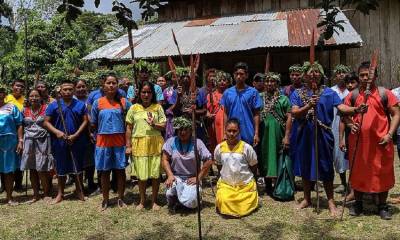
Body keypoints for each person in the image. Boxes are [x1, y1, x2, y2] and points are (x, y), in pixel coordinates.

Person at [290, 61, 366, 216]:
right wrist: (308, 106)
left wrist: (355, 109)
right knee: (305, 165)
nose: (313, 74)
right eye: (310, 72)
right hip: (305, 134)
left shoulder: (328, 93)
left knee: (325, 166)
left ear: (321, 74)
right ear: (305, 75)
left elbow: (341, 107)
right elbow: (295, 113)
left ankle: (331, 201)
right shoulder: (297, 93)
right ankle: (307, 198)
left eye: (317, 71)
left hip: (323, 134)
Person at [344, 61, 400, 220]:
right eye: (361, 75)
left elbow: (396, 114)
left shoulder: (385, 93)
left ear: (375, 76)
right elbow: (343, 112)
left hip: (381, 143)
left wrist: (389, 134)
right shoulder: (353, 95)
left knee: (382, 172)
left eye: (368, 75)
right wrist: (349, 123)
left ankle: (382, 206)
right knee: (358, 173)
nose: (365, 78)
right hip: (358, 144)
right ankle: (358, 204)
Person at [44, 79, 88, 204]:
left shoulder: (80, 105)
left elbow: (85, 120)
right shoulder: (54, 105)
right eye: (65, 89)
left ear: (73, 90)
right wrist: (57, 132)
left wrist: (77, 134)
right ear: (60, 91)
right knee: (61, 167)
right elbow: (46, 122)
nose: (68, 92)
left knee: (78, 166)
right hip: (60, 141)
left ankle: (79, 190)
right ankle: (60, 193)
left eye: (70, 89)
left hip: (77, 140)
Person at [91, 74, 131, 210]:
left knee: (120, 171)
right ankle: (105, 199)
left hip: (120, 142)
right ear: (104, 85)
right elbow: (93, 123)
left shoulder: (125, 102)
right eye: (108, 83)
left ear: (117, 85)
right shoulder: (98, 102)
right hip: (103, 142)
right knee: (104, 171)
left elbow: (131, 122)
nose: (111, 85)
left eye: (114, 83)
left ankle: (120, 198)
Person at [126, 81, 166, 210]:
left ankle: (154, 201)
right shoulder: (133, 108)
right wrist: (128, 146)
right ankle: (142, 200)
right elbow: (129, 128)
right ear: (139, 93)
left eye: (149, 92)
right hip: (139, 144)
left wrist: (154, 124)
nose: (146, 94)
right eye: (144, 92)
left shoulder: (158, 108)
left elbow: (164, 125)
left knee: (155, 174)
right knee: (141, 175)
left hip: (155, 143)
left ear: (152, 94)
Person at [162, 117, 213, 211]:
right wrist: (170, 175)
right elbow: (165, 159)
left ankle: (188, 200)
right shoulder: (171, 141)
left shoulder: (198, 143)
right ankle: (179, 201)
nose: (183, 132)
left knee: (191, 201)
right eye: (180, 129)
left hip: (192, 178)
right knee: (170, 193)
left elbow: (209, 160)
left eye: (186, 129)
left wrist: (198, 177)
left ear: (191, 130)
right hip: (176, 177)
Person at [214, 118, 259, 217]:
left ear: (239, 131)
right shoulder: (219, 148)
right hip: (227, 185)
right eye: (229, 131)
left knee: (246, 202)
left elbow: (254, 165)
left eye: (234, 131)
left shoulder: (246, 148)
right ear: (225, 131)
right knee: (223, 199)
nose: (231, 134)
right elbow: (219, 165)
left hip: (245, 186)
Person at [259, 72, 292, 195]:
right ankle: (267, 185)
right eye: (267, 81)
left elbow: (289, 117)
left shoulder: (284, 99)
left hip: (278, 132)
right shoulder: (258, 96)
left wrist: (287, 136)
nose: (269, 84)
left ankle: (279, 184)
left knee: (278, 155)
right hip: (263, 132)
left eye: (272, 81)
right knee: (265, 156)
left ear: (277, 83)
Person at [21, 89, 54, 203]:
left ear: (40, 97)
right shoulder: (24, 110)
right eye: (31, 96)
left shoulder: (47, 109)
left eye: (36, 96)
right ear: (28, 98)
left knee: (42, 169)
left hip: (43, 141)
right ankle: (35, 194)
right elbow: (21, 126)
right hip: (29, 142)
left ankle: (46, 193)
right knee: (32, 169)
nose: (34, 98)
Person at [220, 62, 262, 146]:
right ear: (234, 75)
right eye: (237, 74)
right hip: (232, 132)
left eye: (241, 74)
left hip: (248, 130)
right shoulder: (227, 92)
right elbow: (225, 113)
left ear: (246, 75)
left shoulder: (253, 92)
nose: (239, 76)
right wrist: (225, 132)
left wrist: (256, 133)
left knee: (248, 156)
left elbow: (256, 114)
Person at [0, 85, 23, 205]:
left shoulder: (11, 107)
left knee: (9, 171)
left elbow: (19, 124)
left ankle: (9, 197)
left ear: (4, 94)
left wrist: (20, 140)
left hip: (9, 143)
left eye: (0, 92)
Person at [330, 64, 351, 193]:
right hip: (333, 125)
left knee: (348, 154)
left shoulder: (351, 91)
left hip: (349, 126)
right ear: (335, 76)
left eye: (343, 72)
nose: (341, 75)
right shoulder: (331, 91)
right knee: (337, 154)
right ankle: (342, 182)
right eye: (338, 73)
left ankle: (352, 183)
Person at [75, 79, 97, 192]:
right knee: (78, 160)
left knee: (90, 160)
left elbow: (92, 117)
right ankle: (79, 185)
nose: (81, 89)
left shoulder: (89, 101)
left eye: (83, 86)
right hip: (75, 134)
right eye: (78, 87)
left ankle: (91, 182)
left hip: (89, 134)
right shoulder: (71, 101)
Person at [5, 79, 25, 191]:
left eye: (22, 86)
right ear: (12, 86)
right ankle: (4, 185)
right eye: (17, 86)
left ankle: (18, 184)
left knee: (19, 158)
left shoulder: (25, 100)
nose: (20, 88)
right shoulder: (6, 98)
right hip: (6, 134)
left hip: (20, 132)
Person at [206, 71, 232, 152]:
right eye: (220, 80)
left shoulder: (232, 94)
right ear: (216, 82)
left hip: (229, 123)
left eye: (224, 80)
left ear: (228, 82)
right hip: (215, 125)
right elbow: (207, 109)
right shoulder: (211, 95)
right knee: (216, 146)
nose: (222, 82)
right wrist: (208, 114)